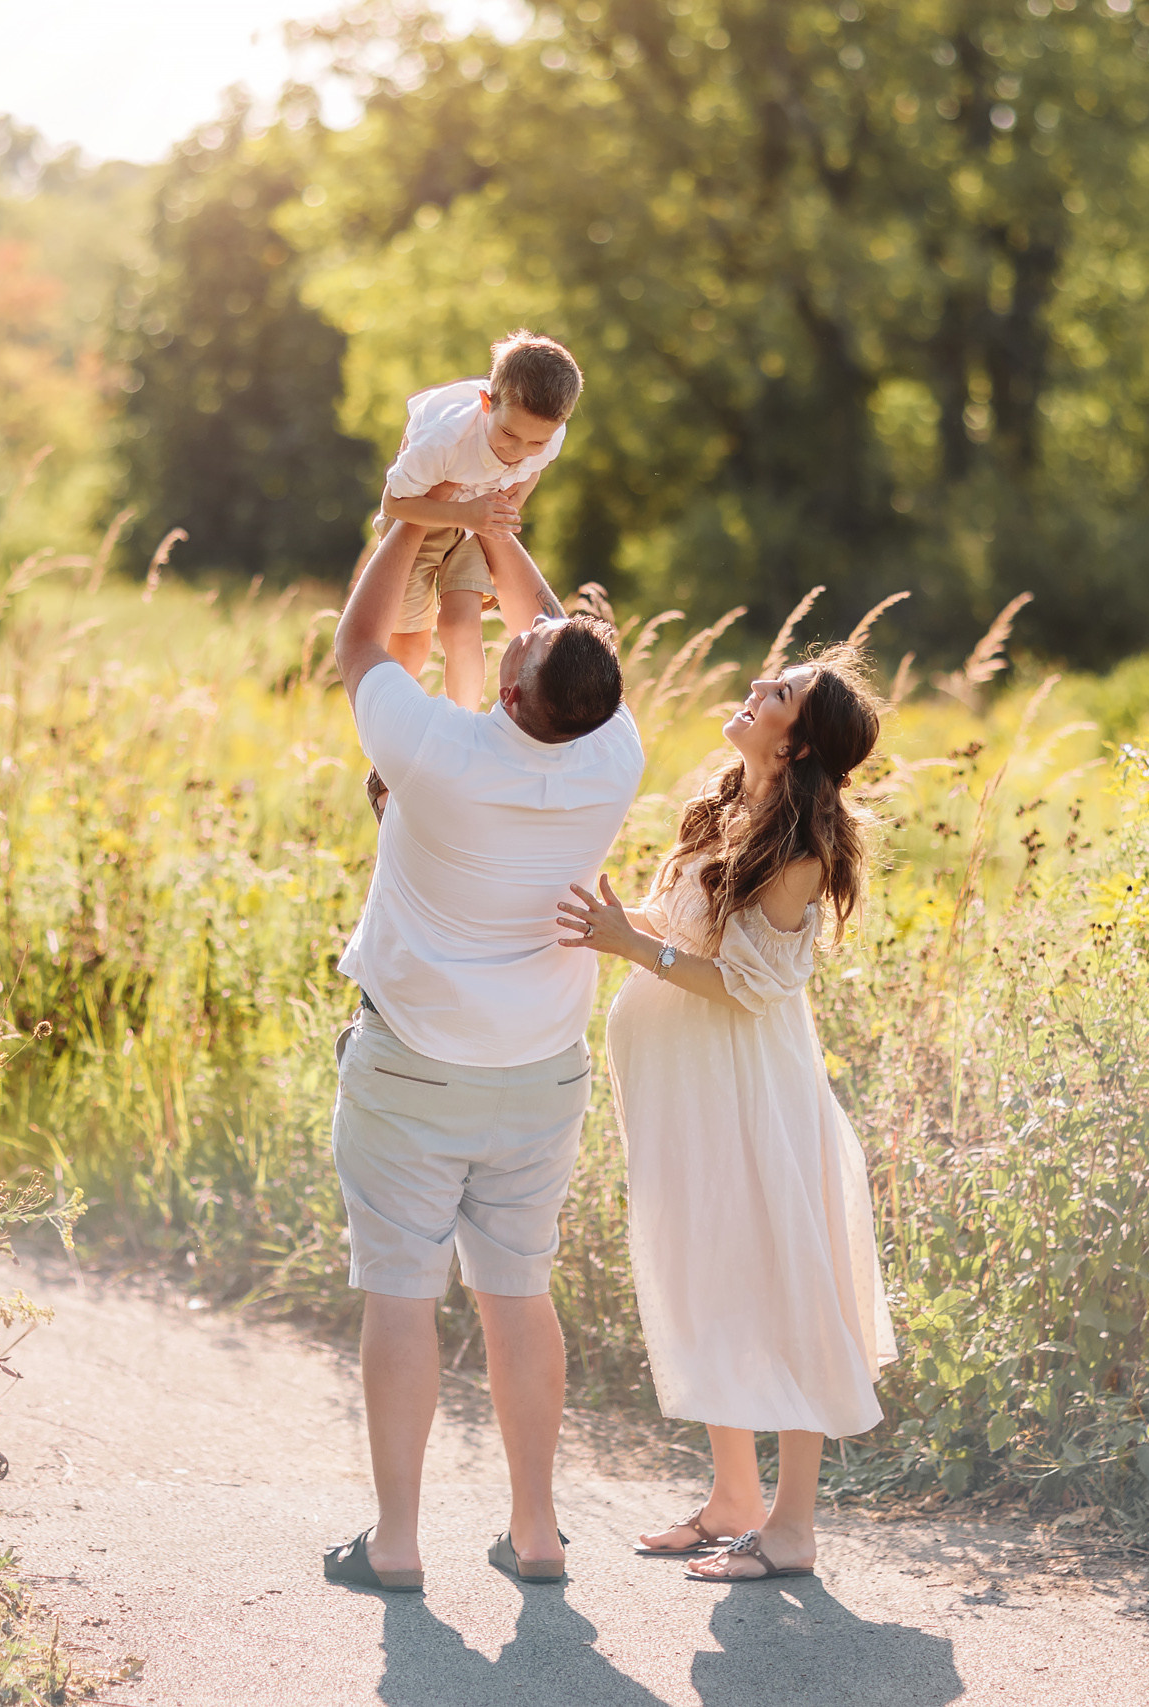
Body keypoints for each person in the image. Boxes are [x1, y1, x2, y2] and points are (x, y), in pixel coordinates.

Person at [318, 497, 642, 1596]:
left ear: (507, 694)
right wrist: (500, 536)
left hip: (412, 1065)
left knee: (403, 1293)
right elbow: (563, 652)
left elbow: (359, 644)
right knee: (518, 1291)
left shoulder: (440, 749)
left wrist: (414, 519)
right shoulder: (614, 757)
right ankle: (537, 1533)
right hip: (540, 1074)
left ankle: (398, 1543)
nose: (514, 630)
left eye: (512, 649)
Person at [554, 643, 897, 1584]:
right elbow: (697, 928)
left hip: (751, 1093)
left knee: (781, 1283)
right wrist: (631, 924)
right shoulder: (721, 800)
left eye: (778, 692)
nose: (755, 688)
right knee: (708, 1271)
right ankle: (734, 1497)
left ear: (798, 744)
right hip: (689, 1094)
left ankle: (791, 1528)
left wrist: (631, 947)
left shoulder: (798, 850)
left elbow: (748, 989)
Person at [358, 331, 583, 818]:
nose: (519, 450)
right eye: (508, 435)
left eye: (536, 440)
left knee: (461, 624)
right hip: (422, 519)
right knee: (411, 643)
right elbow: (394, 503)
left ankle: (460, 737)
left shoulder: (546, 437)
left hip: (478, 521)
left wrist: (503, 511)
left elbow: (533, 469)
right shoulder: (443, 440)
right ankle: (392, 740)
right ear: (486, 402)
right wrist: (468, 515)